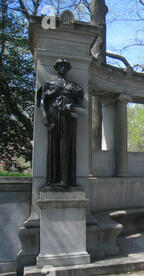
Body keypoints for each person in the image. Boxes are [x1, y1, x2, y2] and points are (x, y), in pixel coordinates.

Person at [37, 59, 85, 189]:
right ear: (56, 68)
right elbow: (42, 103)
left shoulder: (74, 86)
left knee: (68, 146)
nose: (62, 68)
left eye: (65, 66)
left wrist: (73, 107)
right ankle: (54, 180)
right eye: (60, 66)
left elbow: (82, 106)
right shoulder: (48, 84)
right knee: (54, 146)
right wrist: (46, 118)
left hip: (68, 118)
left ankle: (68, 180)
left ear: (68, 69)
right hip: (54, 117)